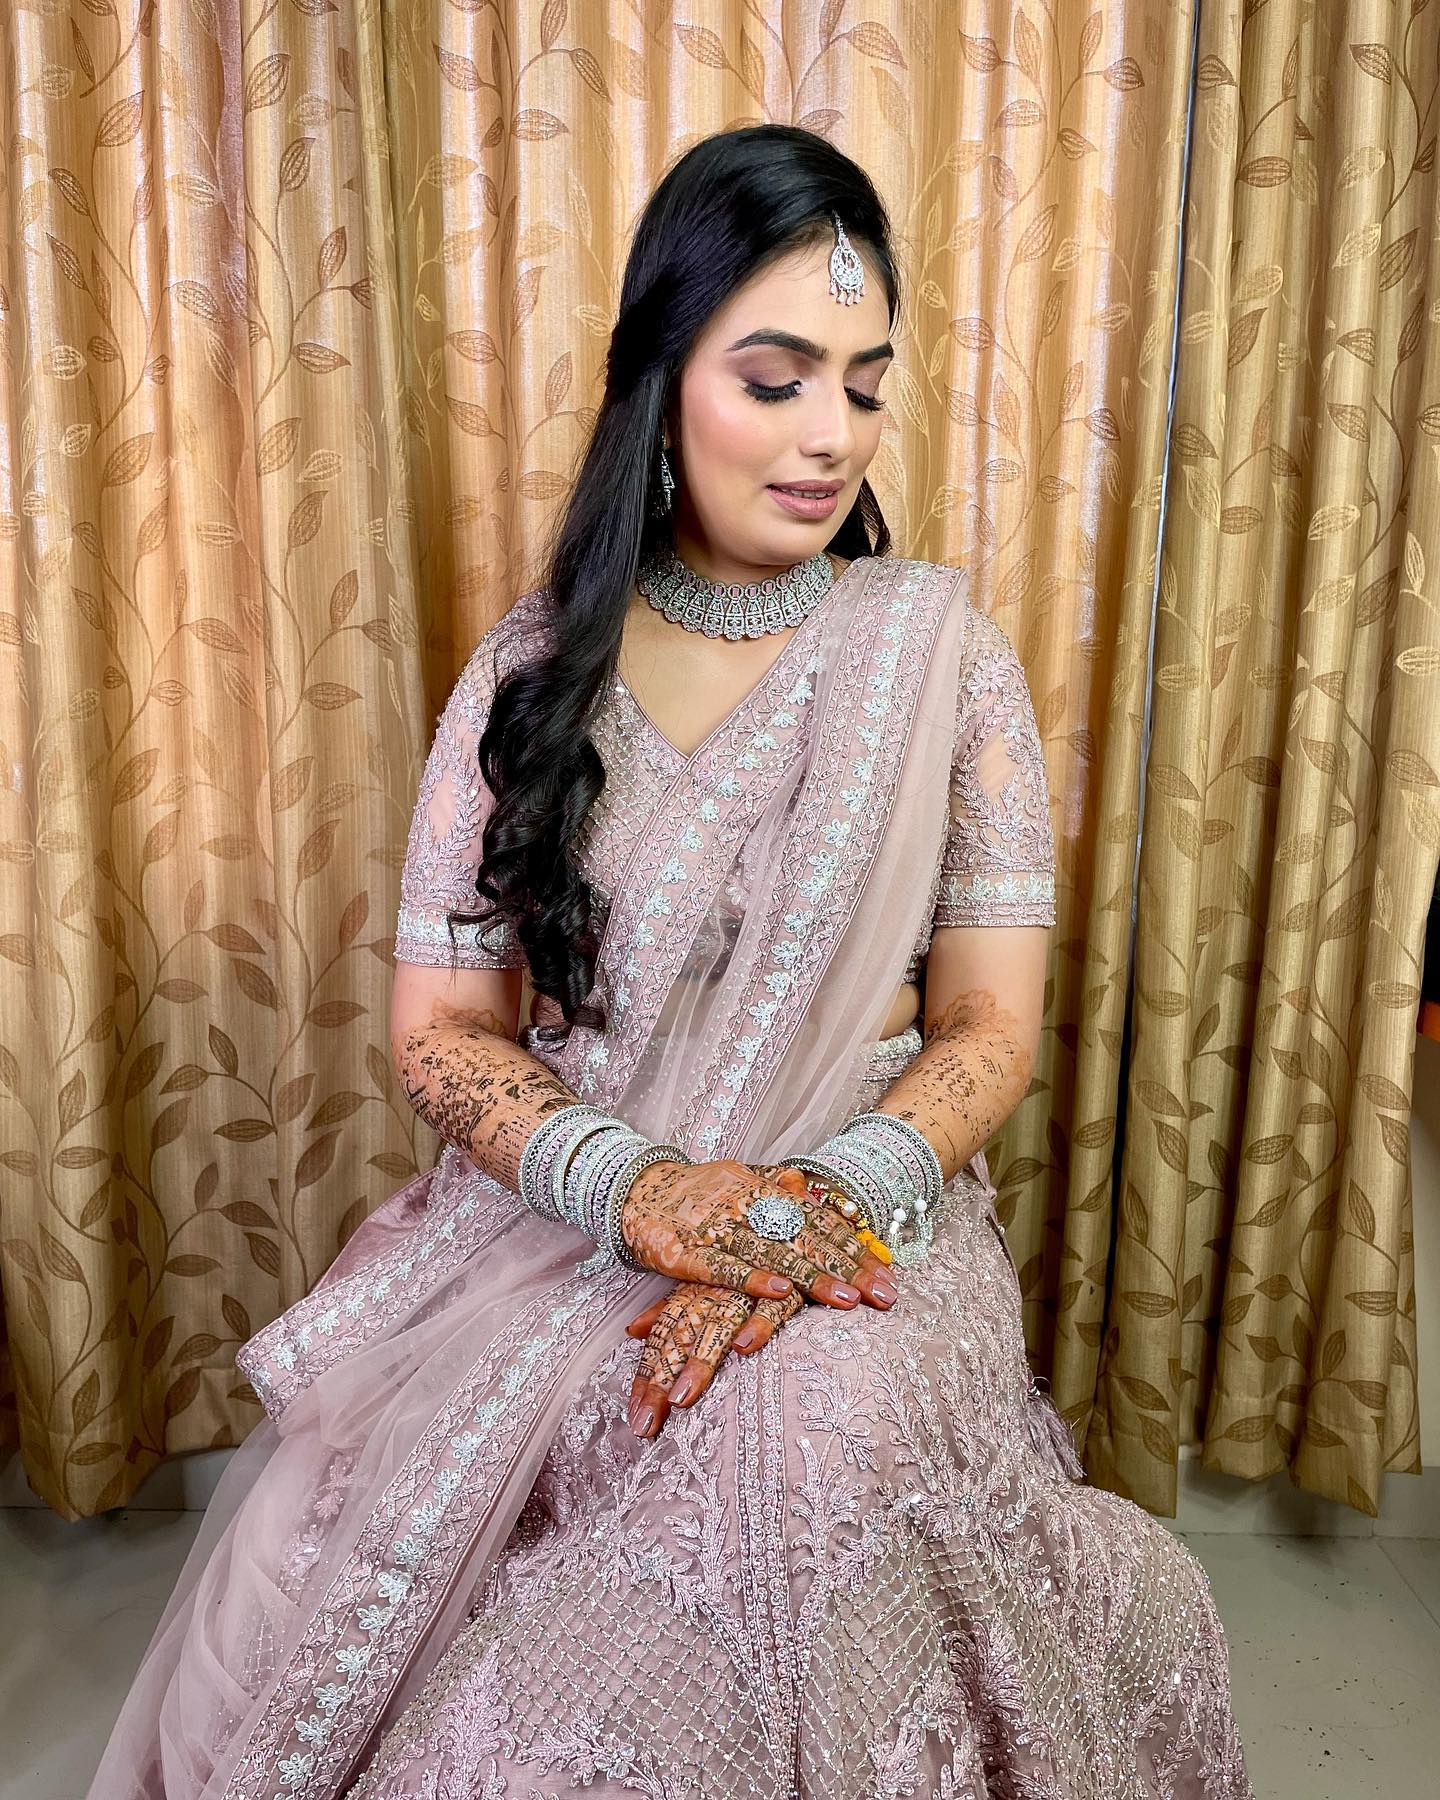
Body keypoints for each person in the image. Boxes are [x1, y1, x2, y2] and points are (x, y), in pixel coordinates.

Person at [87, 125, 1252, 1800]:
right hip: (567, 1215)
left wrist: (803, 1214)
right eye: (775, 380)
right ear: (664, 378)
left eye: (864, 384)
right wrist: (646, 1195)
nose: (830, 433)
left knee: (800, 1427)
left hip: (870, 1209)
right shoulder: (532, 676)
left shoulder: (939, 656)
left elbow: (990, 1026)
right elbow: (443, 1029)